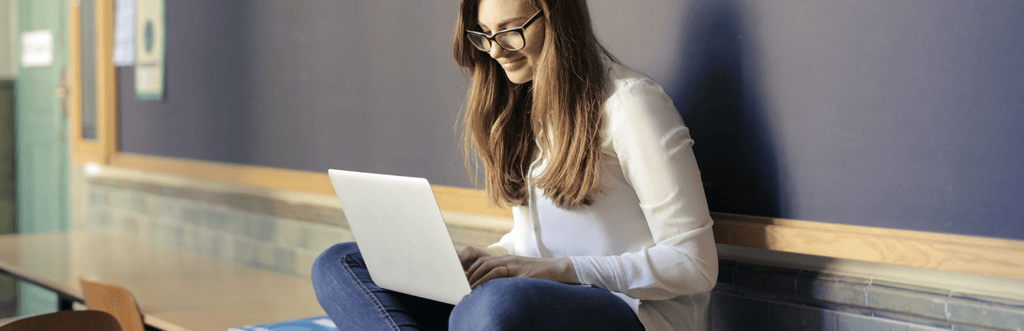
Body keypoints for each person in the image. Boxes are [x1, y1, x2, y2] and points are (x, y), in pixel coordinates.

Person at [311, 0, 718, 330]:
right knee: (338, 264)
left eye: (510, 31)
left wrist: (560, 270)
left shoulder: (631, 104)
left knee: (492, 307)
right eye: (484, 35)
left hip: (633, 310)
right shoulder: (524, 105)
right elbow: (535, 246)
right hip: (532, 301)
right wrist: (486, 258)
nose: (495, 50)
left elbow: (695, 265)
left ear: (556, 16)